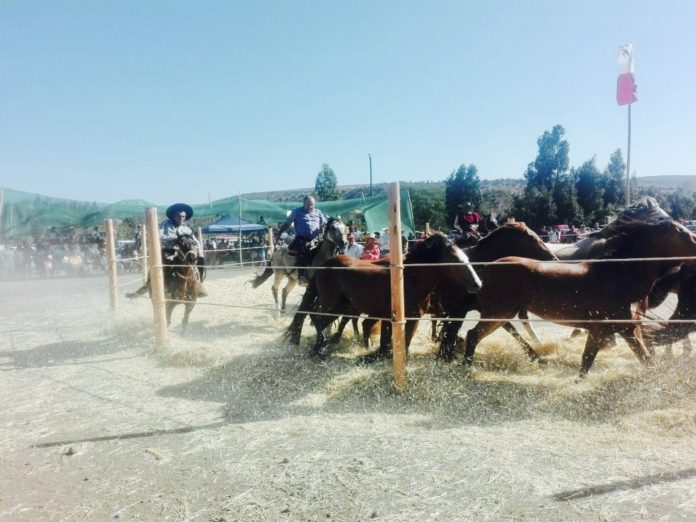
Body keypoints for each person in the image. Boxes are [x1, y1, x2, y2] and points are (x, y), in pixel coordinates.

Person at [159, 203, 208, 297]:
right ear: (174, 216)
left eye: (184, 217)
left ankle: (199, 284)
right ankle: (167, 288)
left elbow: (195, 240)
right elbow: (158, 236)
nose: (182, 218)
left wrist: (199, 252)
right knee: (167, 266)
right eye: (180, 216)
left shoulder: (186, 228)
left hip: (184, 252)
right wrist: (175, 238)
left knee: (199, 261)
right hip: (169, 251)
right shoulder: (165, 225)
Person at [276, 195, 327, 282]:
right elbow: (287, 223)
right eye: (308, 204)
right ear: (304, 203)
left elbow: (324, 223)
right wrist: (280, 232)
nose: (310, 207)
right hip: (301, 239)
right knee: (302, 253)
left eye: (312, 204)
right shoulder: (296, 212)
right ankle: (302, 275)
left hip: (316, 239)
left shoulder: (318, 212)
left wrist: (323, 229)